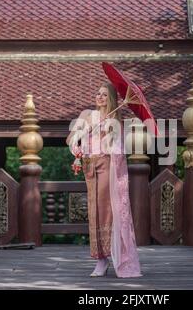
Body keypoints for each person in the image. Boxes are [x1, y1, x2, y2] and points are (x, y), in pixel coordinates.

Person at [66, 82, 142, 278]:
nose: (99, 97)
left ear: (111, 100)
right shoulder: (86, 114)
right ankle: (100, 257)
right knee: (93, 210)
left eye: (104, 95)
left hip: (107, 165)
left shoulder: (115, 120)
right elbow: (70, 140)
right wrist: (79, 142)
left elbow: (117, 151)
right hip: (89, 164)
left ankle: (108, 256)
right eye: (97, 93)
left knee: (106, 210)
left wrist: (110, 131)